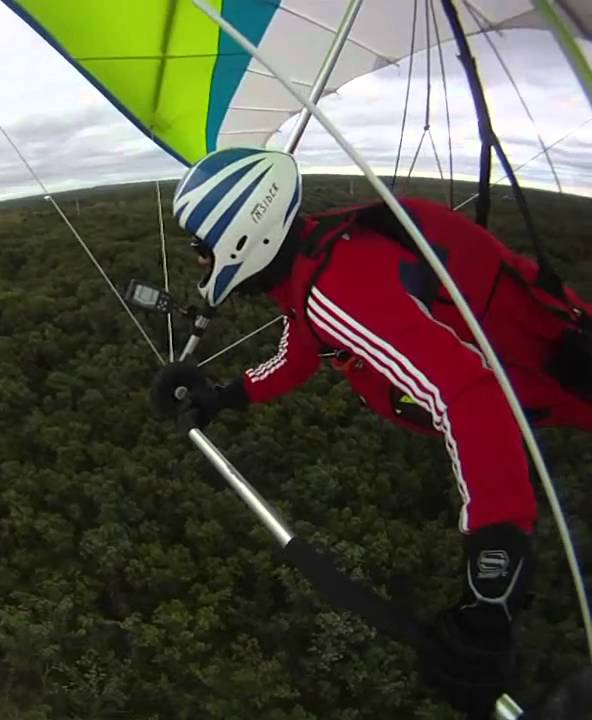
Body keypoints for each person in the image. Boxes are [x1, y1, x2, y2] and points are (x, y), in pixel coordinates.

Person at [152, 147, 592, 713]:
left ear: (240, 237)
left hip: (556, 374)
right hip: (548, 367)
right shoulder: (314, 258)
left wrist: (492, 588)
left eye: (201, 249)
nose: (199, 264)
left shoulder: (338, 289)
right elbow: (302, 349)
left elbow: (469, 395)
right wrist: (226, 394)